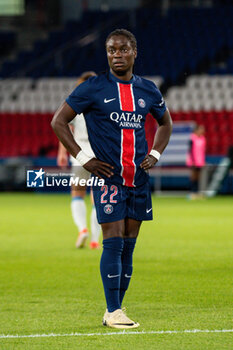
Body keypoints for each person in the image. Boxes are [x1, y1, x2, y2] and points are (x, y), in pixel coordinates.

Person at [51, 29, 172, 328]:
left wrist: (155, 154)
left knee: (129, 246)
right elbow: (58, 121)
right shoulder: (92, 88)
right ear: (106, 53)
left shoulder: (148, 90)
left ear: (134, 52)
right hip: (108, 178)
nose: (116, 55)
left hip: (138, 179)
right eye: (111, 50)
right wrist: (83, 158)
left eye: (122, 49)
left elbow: (165, 122)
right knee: (113, 242)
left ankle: (117, 310)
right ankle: (113, 310)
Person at [57, 71, 101, 249]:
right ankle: (94, 240)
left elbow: (64, 127)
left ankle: (82, 230)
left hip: (79, 156)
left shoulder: (76, 103)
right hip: (99, 156)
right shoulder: (103, 103)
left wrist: (62, 152)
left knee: (77, 193)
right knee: (97, 198)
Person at [186, 124, 206, 199]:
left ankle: (197, 193)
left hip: (200, 161)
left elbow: (202, 151)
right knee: (193, 177)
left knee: (198, 177)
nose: (202, 131)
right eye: (201, 129)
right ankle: (192, 192)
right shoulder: (192, 138)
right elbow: (190, 150)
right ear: (196, 130)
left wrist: (203, 161)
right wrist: (193, 161)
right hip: (193, 161)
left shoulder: (203, 139)